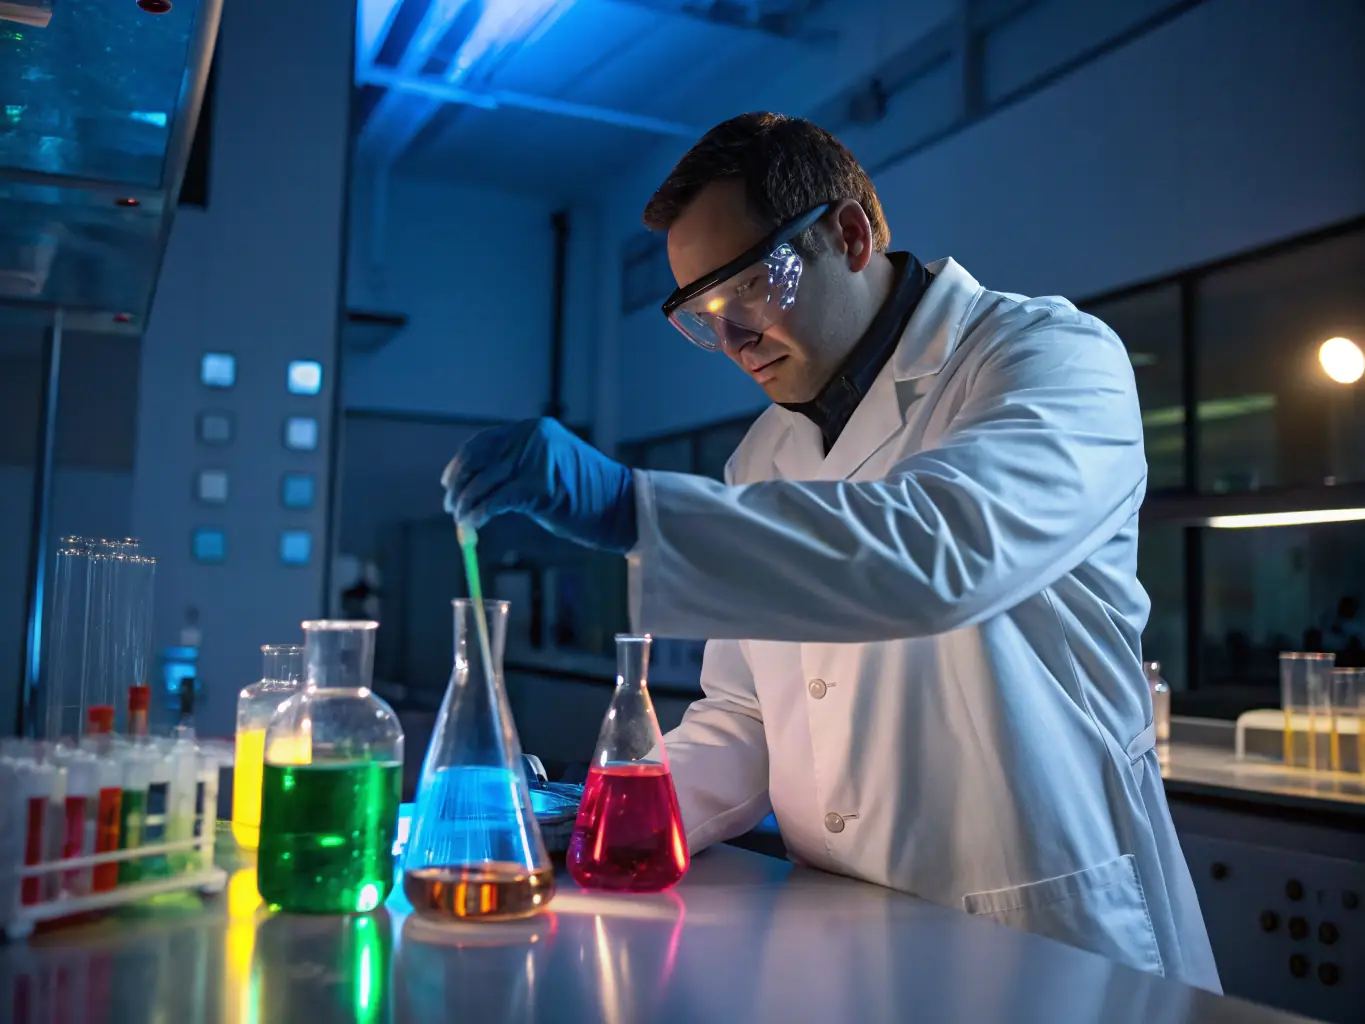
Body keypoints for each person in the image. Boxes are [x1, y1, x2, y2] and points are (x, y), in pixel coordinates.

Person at [441, 112, 1220, 991]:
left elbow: (941, 552)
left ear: (848, 234)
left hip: (1038, 932)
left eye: (749, 288)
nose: (730, 341)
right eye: (702, 314)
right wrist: (605, 815)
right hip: (831, 934)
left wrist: (629, 507)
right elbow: (743, 717)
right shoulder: (762, 454)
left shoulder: (1043, 358)